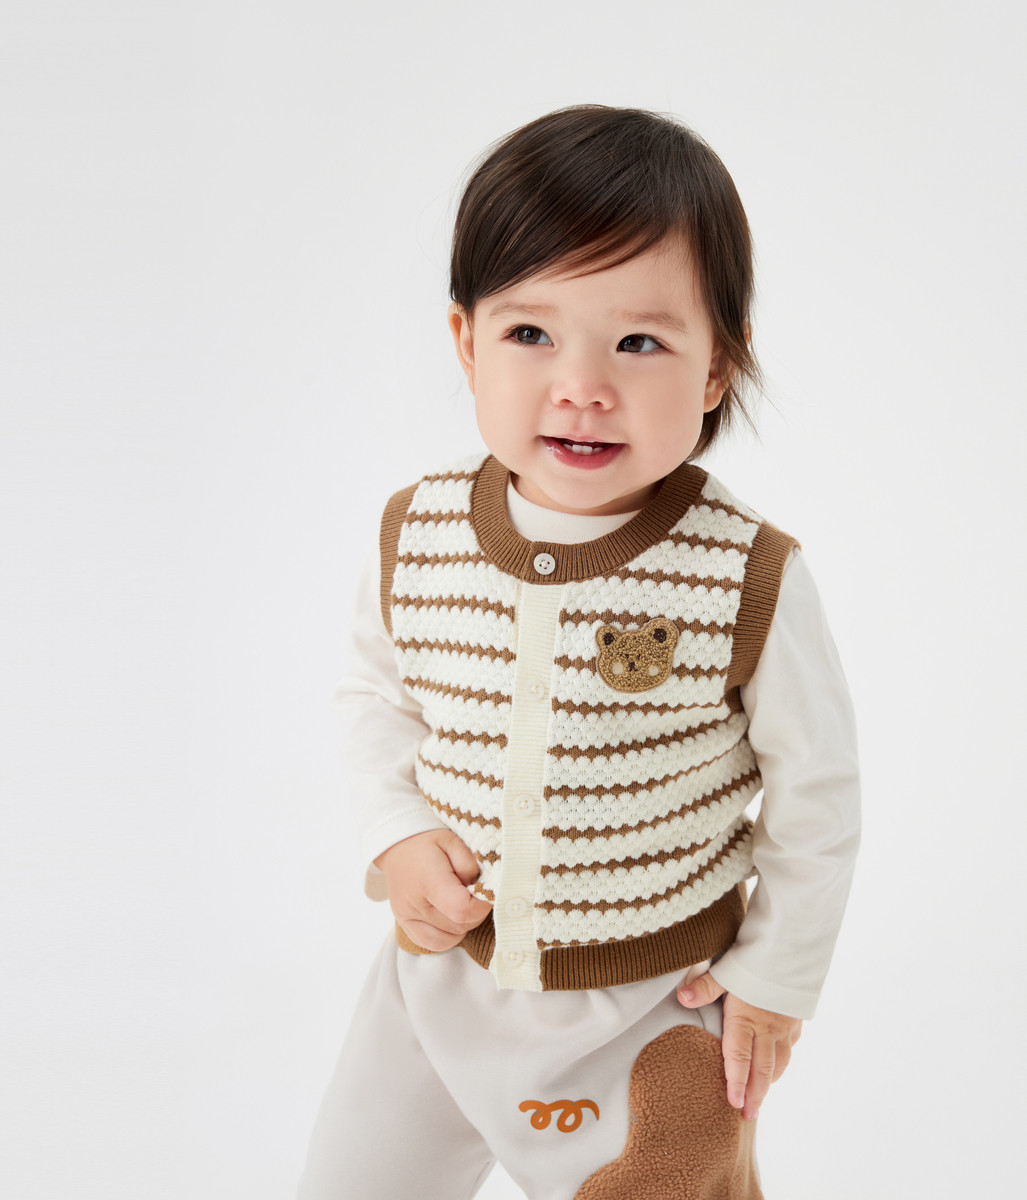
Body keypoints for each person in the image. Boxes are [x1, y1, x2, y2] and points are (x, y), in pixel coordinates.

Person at [299, 104, 860, 1200]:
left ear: (716, 368)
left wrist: (778, 975)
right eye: (531, 334)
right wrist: (398, 830)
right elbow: (375, 696)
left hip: (651, 1007)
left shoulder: (745, 573)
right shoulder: (419, 531)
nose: (582, 386)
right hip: (437, 979)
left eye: (639, 342)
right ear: (467, 342)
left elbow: (819, 796)